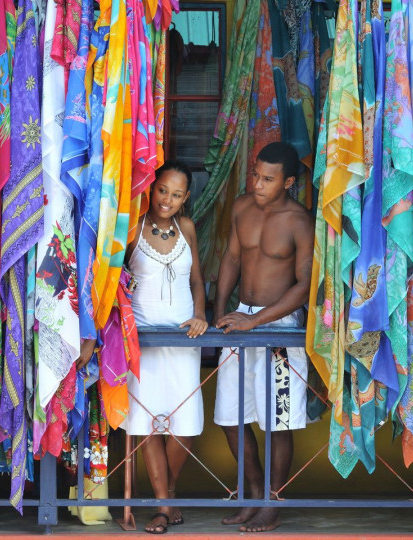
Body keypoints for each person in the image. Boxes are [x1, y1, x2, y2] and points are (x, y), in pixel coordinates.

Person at [213, 141, 315, 533]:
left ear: (288, 181)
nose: (257, 183)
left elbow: (304, 286)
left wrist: (255, 324)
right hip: (239, 319)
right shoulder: (241, 207)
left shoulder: (300, 221)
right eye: (256, 174)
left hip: (280, 327)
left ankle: (273, 502)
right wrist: (220, 310)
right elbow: (232, 258)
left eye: (268, 179)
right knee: (230, 416)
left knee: (278, 421)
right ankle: (254, 493)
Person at [121, 161, 208, 534]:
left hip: (184, 339)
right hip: (143, 341)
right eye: (162, 191)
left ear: (186, 197)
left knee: (183, 425)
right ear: (151, 188)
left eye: (176, 194)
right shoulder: (133, 229)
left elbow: (198, 282)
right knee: (148, 424)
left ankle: (166, 494)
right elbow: (111, 279)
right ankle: (161, 506)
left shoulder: (187, 228)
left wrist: (201, 315)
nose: (167, 200)